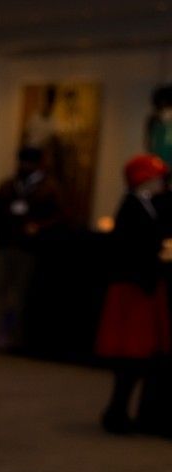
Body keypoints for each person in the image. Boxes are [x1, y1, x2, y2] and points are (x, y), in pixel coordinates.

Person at [94, 154, 170, 434]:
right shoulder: (133, 206)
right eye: (158, 176)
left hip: (142, 286)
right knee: (132, 353)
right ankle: (117, 411)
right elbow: (133, 245)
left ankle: (122, 411)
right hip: (134, 288)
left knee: (140, 355)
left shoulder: (149, 203)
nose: (162, 182)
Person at [0, 145, 65, 351]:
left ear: (38, 165)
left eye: (29, 163)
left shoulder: (49, 188)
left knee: (21, 297)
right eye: (22, 162)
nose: (24, 166)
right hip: (4, 245)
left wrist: (39, 227)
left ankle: (17, 340)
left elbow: (60, 217)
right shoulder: (8, 185)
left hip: (29, 249)